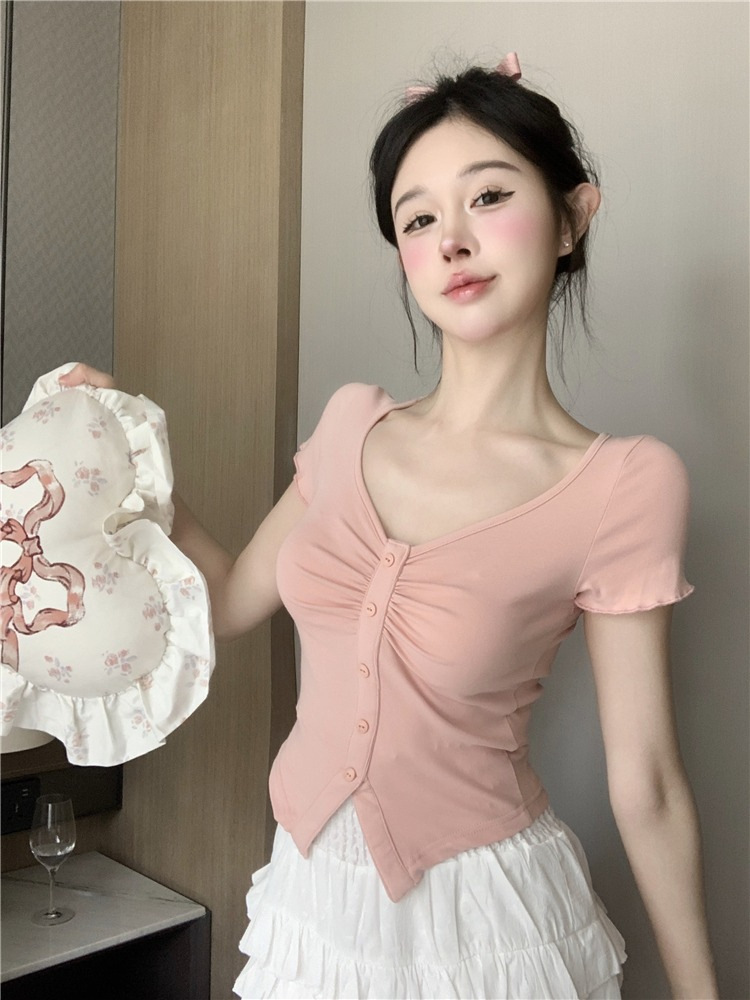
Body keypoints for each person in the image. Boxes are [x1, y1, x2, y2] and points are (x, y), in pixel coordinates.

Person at [62, 54, 718, 1000]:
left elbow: (646, 781)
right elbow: (231, 599)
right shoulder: (348, 425)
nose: (452, 241)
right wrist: (124, 453)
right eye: (418, 219)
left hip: (488, 926)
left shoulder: (625, 484)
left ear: (573, 217)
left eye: (489, 197)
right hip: (310, 906)